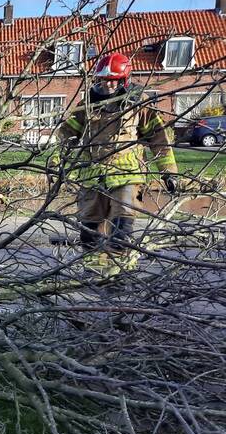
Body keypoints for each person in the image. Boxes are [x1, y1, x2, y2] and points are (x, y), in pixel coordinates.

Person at [55, 51, 177, 273]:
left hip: (127, 174)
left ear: (123, 81)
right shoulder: (88, 104)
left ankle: (117, 272)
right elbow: (67, 134)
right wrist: (57, 161)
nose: (107, 86)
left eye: (112, 81)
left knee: (121, 226)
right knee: (89, 227)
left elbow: (159, 139)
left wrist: (168, 172)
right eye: (103, 81)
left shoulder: (138, 104)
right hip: (93, 176)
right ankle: (93, 271)